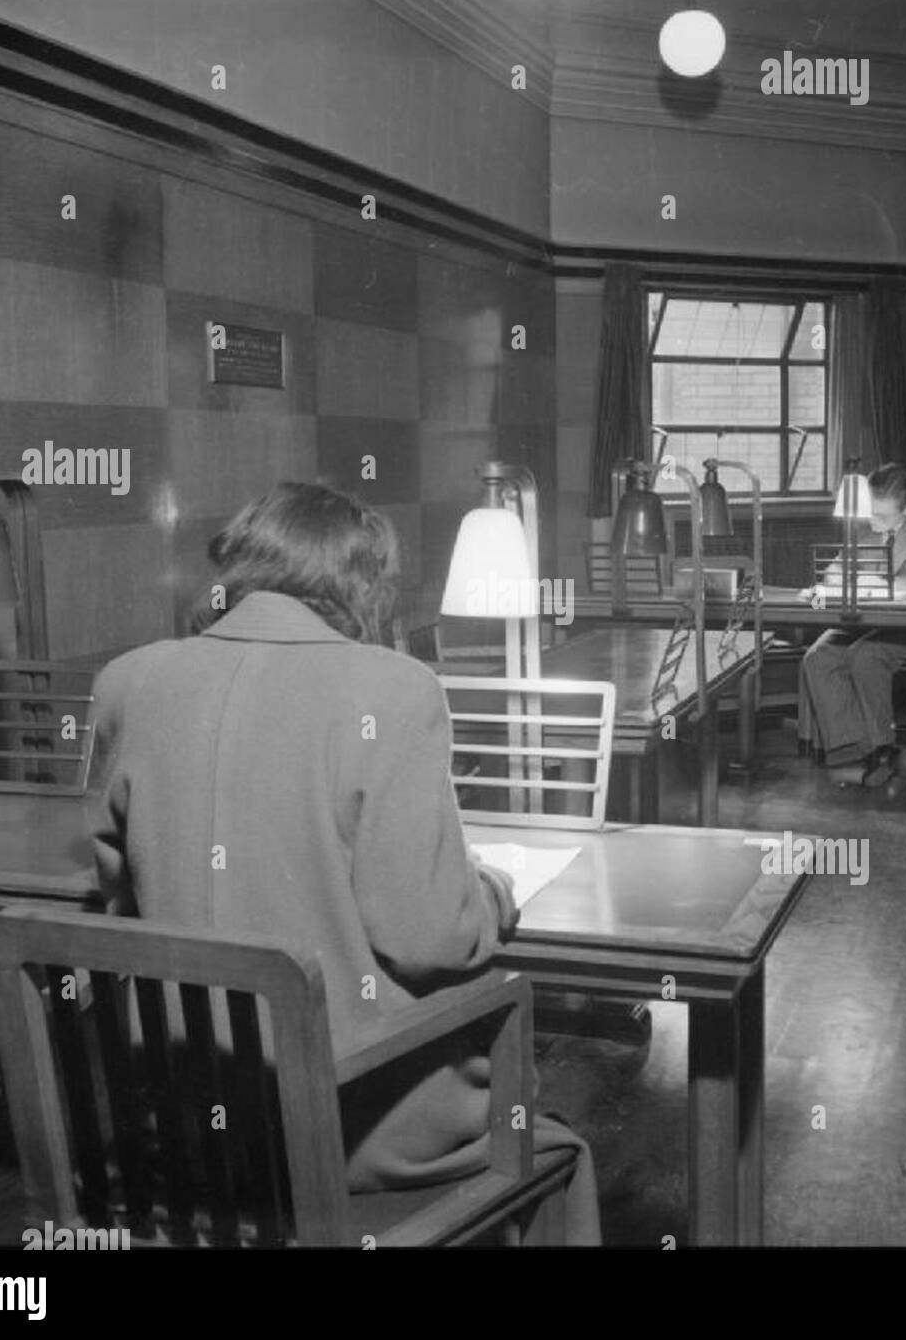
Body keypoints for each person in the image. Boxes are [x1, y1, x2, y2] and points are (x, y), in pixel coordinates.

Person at [90, 482, 599, 1243]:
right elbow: (429, 938)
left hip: (181, 1120)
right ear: (361, 585)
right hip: (352, 1125)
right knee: (561, 1141)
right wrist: (491, 888)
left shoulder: (127, 680)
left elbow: (113, 897)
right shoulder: (394, 688)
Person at [801, 462, 906, 788]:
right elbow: (833, 572)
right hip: (867, 623)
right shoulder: (866, 522)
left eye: (882, 517)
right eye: (870, 514)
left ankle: (881, 749)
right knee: (818, 656)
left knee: (866, 656)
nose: (872, 522)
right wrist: (852, 576)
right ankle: (852, 745)